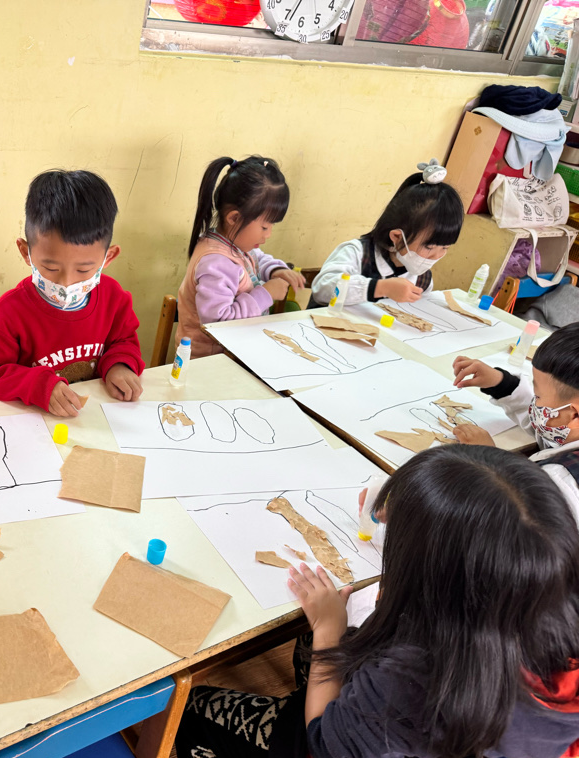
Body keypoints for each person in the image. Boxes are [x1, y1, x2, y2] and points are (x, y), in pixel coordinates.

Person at [175, 445, 579, 758]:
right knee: (313, 643)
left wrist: (328, 630)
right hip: (449, 740)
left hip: (343, 750)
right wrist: (414, 509)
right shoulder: (543, 605)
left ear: (432, 575)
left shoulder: (410, 677)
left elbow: (326, 746)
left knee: (194, 711)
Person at [0, 169, 144, 417]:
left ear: (107, 258)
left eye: (84, 269)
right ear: (26, 252)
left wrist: (119, 364)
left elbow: (124, 340)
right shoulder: (1, 319)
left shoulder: (113, 298)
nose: (66, 283)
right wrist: (37, 386)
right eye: (51, 267)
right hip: (33, 425)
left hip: (92, 419)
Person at [176, 155, 302, 358]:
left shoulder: (235, 244)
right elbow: (217, 325)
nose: (268, 234)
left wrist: (276, 270)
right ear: (234, 218)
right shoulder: (216, 262)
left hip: (237, 351)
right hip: (210, 362)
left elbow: (257, 259)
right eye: (264, 227)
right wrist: (265, 294)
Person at [450, 322, 579, 519]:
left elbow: (513, 518)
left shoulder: (562, 484)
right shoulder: (568, 428)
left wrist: (490, 460)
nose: (535, 401)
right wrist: (501, 383)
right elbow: (551, 425)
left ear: (575, 415)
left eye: (538, 395)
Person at [309, 164, 464, 309]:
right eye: (429, 247)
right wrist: (380, 288)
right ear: (397, 237)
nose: (436, 256)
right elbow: (322, 290)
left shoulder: (422, 278)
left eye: (445, 247)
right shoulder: (357, 253)